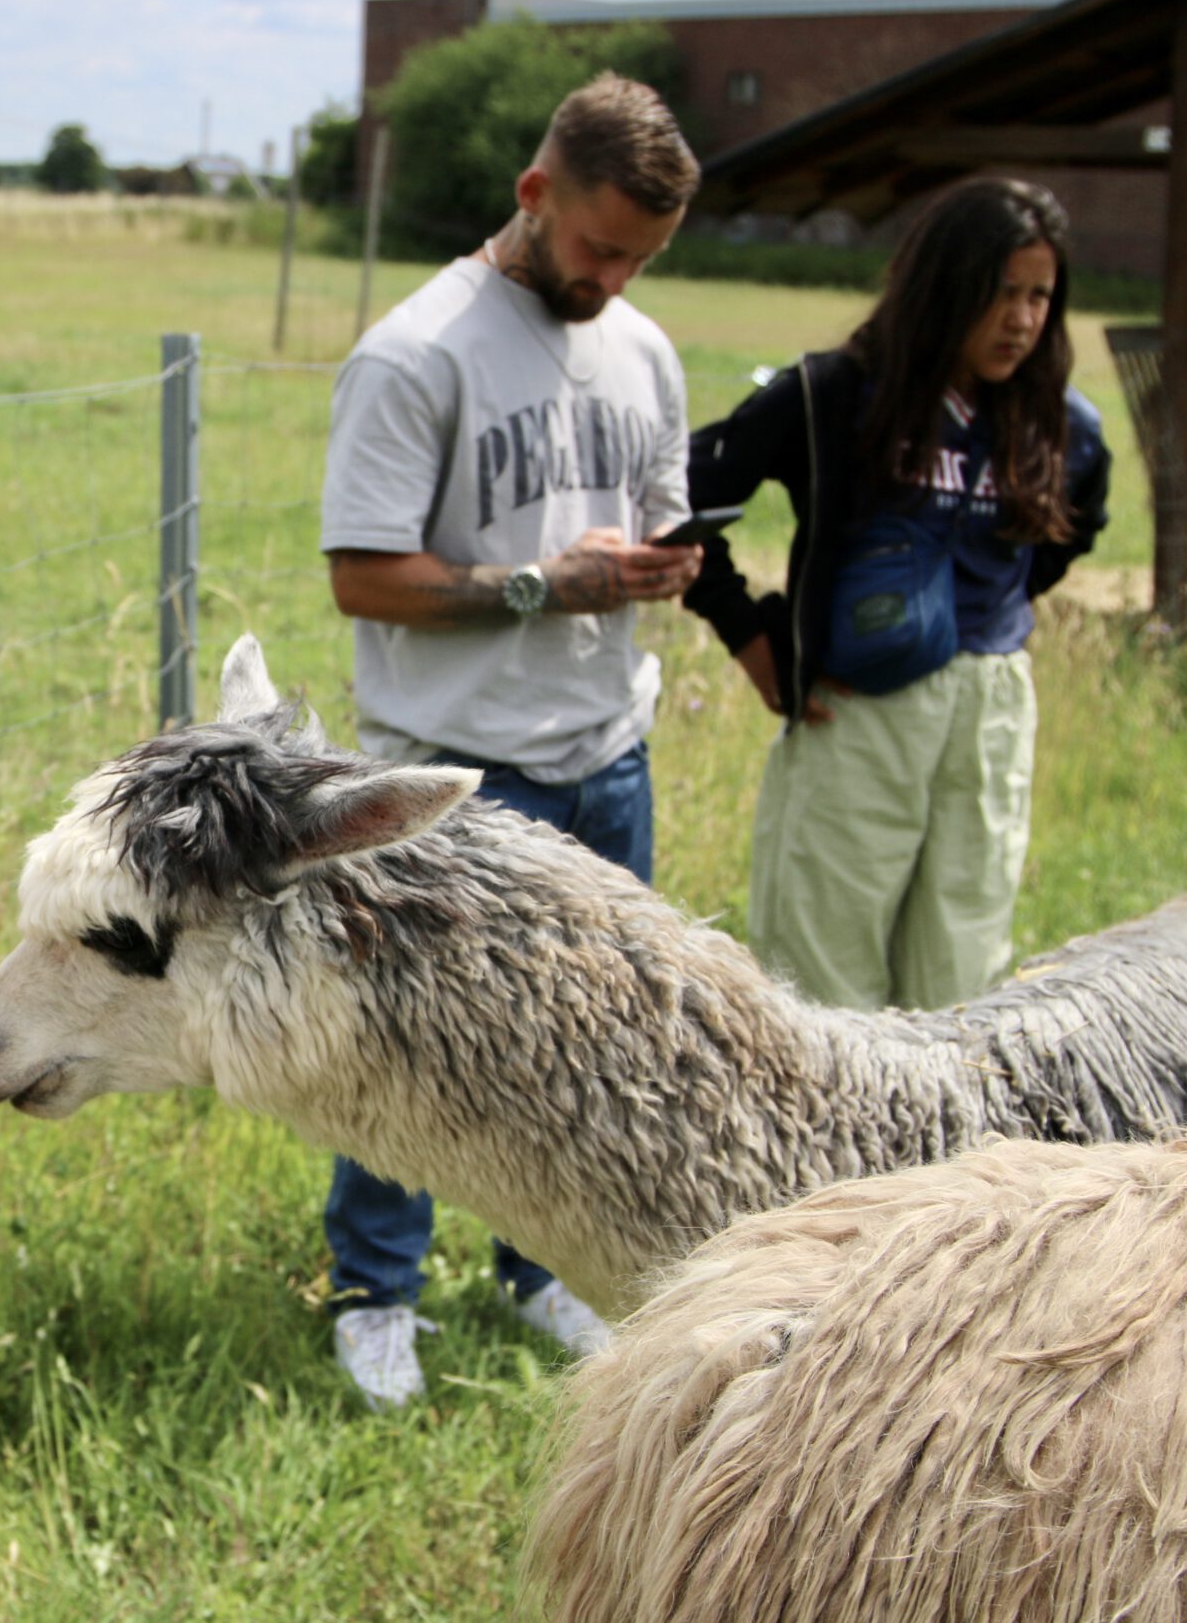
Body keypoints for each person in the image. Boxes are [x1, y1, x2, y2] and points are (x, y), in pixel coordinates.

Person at [316, 73, 704, 1407]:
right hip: (456, 770)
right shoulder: (416, 352)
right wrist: (548, 584)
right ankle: (376, 1291)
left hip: (607, 751)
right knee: (411, 1048)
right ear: (533, 193)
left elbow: (652, 512)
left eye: (642, 258)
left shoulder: (644, 351)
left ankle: (542, 1267)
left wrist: (663, 564)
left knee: (589, 1043)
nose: (613, 279)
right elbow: (363, 579)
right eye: (599, 247)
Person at [682, 177, 1108, 1013]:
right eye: (1000, 292)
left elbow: (1075, 527)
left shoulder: (1061, 422)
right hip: (857, 712)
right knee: (822, 984)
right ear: (943, 286)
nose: (1022, 319)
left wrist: (994, 607)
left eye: (1040, 297)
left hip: (989, 710)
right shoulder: (835, 395)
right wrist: (755, 638)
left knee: (963, 977)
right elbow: (683, 496)